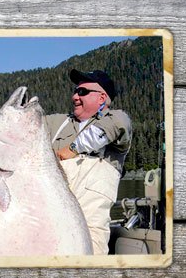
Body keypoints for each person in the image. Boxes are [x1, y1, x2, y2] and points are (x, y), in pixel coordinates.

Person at [46, 69, 132, 255]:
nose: (75, 96)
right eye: (75, 91)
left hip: (91, 225)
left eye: (82, 92)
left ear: (102, 98)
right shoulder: (57, 122)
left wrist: (72, 149)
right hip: (50, 212)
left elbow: (117, 126)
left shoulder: (117, 119)